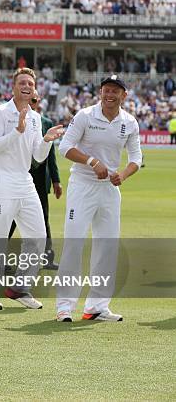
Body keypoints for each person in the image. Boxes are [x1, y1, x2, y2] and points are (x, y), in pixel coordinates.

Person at [55, 75, 142, 322]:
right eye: (106, 90)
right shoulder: (85, 115)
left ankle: (97, 307)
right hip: (82, 185)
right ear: (100, 92)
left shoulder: (129, 122)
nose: (110, 94)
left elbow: (136, 158)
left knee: (107, 246)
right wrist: (92, 161)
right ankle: (64, 306)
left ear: (124, 95)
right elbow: (65, 147)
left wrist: (122, 175)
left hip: (109, 190)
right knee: (74, 243)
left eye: (115, 90)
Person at [0, 68, 63, 311]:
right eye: (22, 82)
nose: (27, 86)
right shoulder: (1, 112)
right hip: (2, 180)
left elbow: (37, 156)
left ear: (35, 90)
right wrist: (17, 130)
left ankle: (19, 288)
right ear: (13, 87)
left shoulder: (35, 118)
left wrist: (46, 140)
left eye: (31, 84)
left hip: (24, 180)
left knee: (37, 237)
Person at [8, 90, 62, 270]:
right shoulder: (14, 119)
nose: (32, 102)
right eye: (29, 98)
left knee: (43, 217)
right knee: (11, 219)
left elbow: (51, 156)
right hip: (20, 176)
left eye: (35, 99)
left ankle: (47, 257)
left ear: (38, 100)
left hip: (40, 179)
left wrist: (56, 180)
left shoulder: (45, 122)